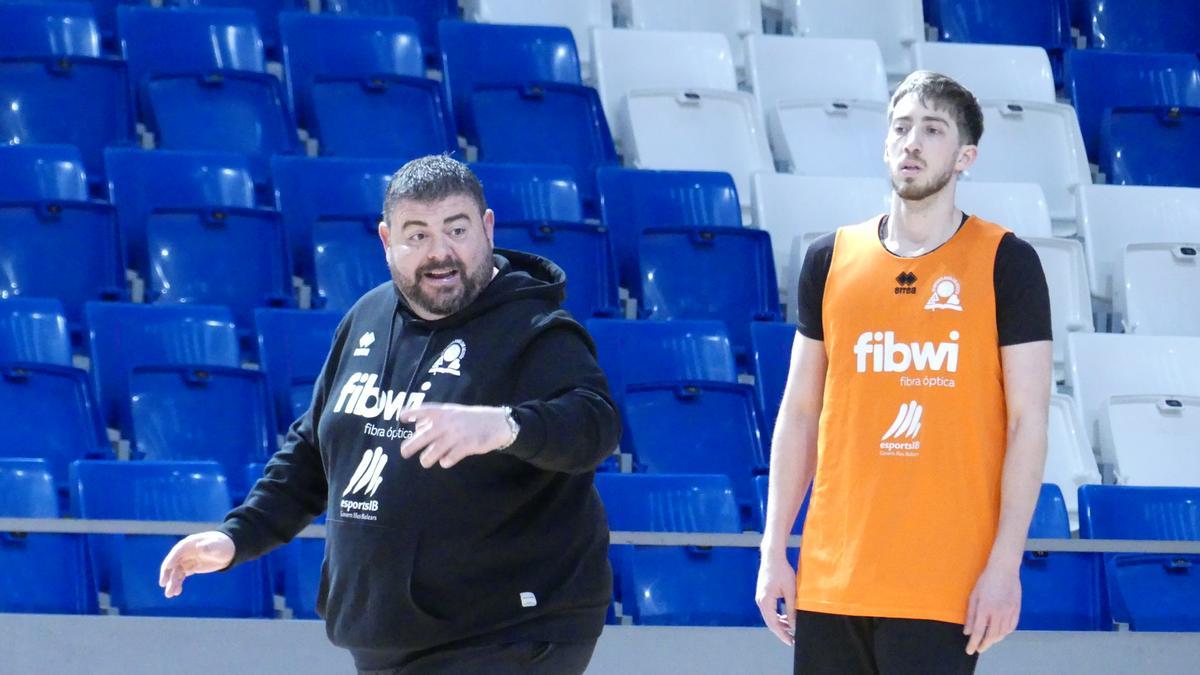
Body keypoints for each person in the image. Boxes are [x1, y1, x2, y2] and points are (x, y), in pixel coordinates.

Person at [158, 155, 621, 675]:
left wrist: (504, 427)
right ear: (386, 240)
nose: (440, 251)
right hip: (390, 636)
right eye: (417, 234)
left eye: (457, 229)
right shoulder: (367, 317)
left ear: (487, 228)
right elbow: (315, 449)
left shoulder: (537, 328)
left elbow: (595, 425)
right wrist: (238, 536)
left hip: (508, 632)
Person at [755, 71, 1052, 675]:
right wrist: (772, 549)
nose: (912, 142)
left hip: (943, 584)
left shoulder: (1008, 263)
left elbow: (1028, 423)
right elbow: (800, 413)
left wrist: (1005, 564)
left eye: (933, 130)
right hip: (834, 577)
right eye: (901, 127)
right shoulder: (829, 259)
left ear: (965, 156)